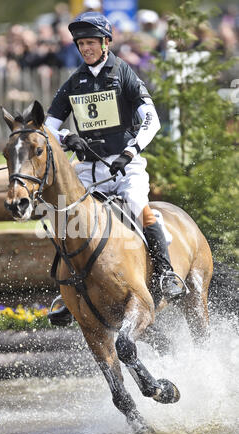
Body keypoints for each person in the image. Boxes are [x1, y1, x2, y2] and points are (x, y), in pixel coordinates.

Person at [44, 12, 183, 326]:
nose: (86, 49)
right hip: (90, 169)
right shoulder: (74, 81)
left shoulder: (124, 73)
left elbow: (153, 120)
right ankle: (68, 291)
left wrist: (131, 150)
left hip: (125, 166)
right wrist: (69, 137)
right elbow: (47, 128)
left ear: (106, 42)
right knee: (63, 214)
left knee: (138, 206)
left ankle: (165, 273)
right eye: (81, 44)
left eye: (91, 43)